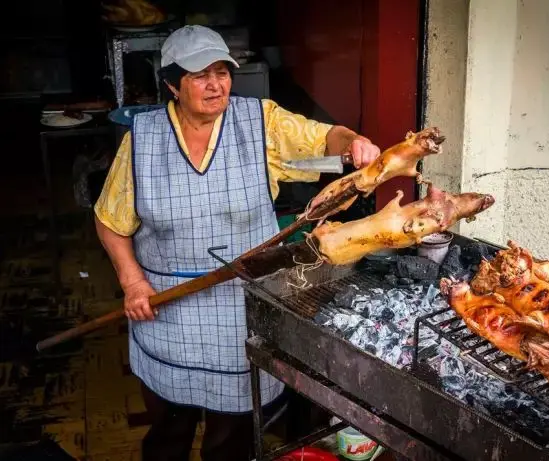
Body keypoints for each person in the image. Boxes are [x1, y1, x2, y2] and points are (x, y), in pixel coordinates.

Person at [94, 25, 380, 461]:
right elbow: (110, 222)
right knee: (169, 432)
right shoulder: (143, 141)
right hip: (169, 310)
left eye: (222, 71)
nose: (216, 84)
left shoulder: (259, 121)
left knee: (231, 440)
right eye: (199, 75)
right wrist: (133, 282)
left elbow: (325, 138)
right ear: (172, 83)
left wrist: (354, 143)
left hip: (243, 307)